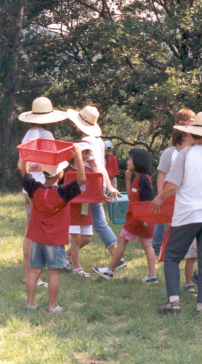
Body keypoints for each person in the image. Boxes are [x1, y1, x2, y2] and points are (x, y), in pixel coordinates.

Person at [151, 112, 202, 315]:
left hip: (187, 214)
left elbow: (172, 185)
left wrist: (159, 199)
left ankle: (173, 302)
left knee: (172, 256)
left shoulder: (185, 154)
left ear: (193, 134)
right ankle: (201, 307)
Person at [21, 144, 86, 313]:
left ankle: (30, 304)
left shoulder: (34, 189)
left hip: (36, 239)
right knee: (53, 274)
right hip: (55, 241)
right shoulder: (64, 192)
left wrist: (26, 157)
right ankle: (51, 306)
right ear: (60, 173)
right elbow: (82, 180)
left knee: (34, 272)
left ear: (43, 173)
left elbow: (24, 173)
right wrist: (77, 156)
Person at [17, 97, 67, 288]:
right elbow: (54, 163)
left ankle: (28, 274)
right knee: (36, 233)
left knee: (29, 231)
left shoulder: (27, 135)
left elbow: (20, 164)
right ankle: (33, 275)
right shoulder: (46, 135)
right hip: (43, 189)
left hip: (28, 187)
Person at [66, 106, 124, 267]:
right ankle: (64, 256)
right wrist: (108, 186)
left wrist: (101, 188)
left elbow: (96, 167)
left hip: (89, 187)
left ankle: (116, 256)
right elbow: (102, 166)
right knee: (86, 227)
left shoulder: (85, 142)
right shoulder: (98, 141)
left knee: (98, 222)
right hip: (97, 184)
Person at [92, 148, 157, 283]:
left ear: (137, 161)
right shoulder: (139, 178)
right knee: (146, 244)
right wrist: (128, 179)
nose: (127, 162)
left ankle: (110, 270)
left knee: (122, 240)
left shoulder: (143, 178)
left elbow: (148, 199)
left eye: (129, 159)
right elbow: (131, 195)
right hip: (138, 217)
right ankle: (152, 276)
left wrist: (147, 218)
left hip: (139, 218)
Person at [153, 108, 196, 255]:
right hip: (171, 196)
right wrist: (161, 196)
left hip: (190, 197)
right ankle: (162, 250)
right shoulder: (169, 153)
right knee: (168, 226)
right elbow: (161, 176)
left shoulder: (196, 151)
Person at [66, 142, 97, 277]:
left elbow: (94, 189)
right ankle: (77, 268)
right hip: (71, 209)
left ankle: (65, 256)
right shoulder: (67, 171)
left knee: (87, 238)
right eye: (82, 152)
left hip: (85, 208)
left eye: (87, 153)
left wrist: (101, 195)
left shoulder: (89, 172)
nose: (84, 155)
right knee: (76, 238)